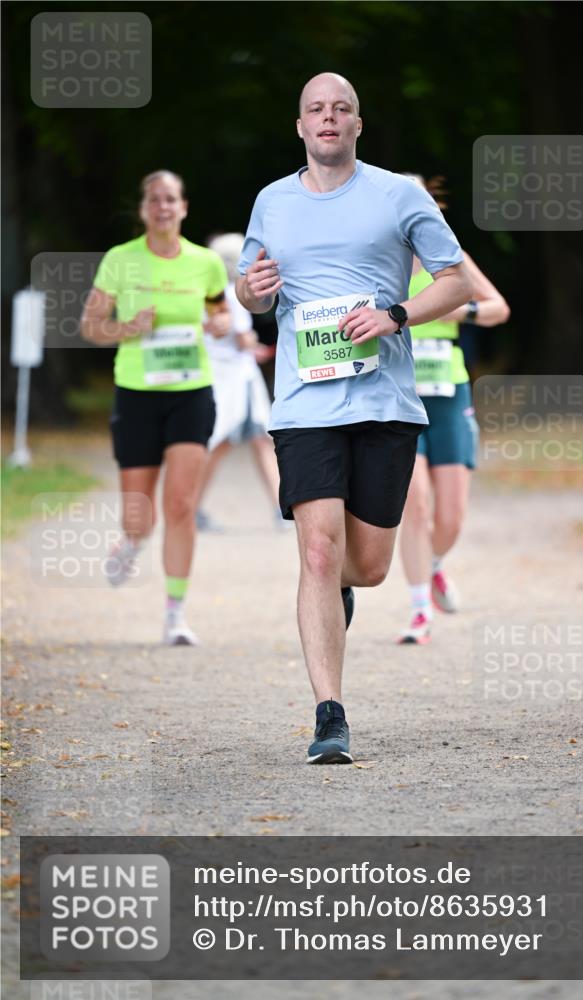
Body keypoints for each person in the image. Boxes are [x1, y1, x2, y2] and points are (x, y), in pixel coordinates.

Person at [236, 73, 472, 764]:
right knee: (316, 550)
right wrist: (249, 292)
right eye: (315, 109)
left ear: (357, 125)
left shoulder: (398, 193)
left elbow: (455, 280)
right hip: (304, 405)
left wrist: (394, 313)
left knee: (364, 567)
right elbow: (251, 293)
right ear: (300, 125)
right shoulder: (271, 202)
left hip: (384, 403)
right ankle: (328, 716)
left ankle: (337, 588)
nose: (328, 118)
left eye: (341, 108)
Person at [81, 170, 230, 645]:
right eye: (154, 200)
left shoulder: (205, 263)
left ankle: (175, 614)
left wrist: (220, 324)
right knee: (140, 515)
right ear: (143, 209)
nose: (163, 207)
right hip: (137, 394)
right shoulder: (120, 261)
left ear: (183, 207)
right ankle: (130, 541)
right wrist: (127, 327)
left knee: (182, 505)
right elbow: (89, 326)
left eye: (171, 200)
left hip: (191, 392)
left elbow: (221, 310)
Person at [398, 174, 510, 645]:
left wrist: (457, 312)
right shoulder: (376, 258)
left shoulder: (451, 256)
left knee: (451, 517)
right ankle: (420, 609)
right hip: (400, 398)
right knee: (415, 506)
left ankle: (435, 563)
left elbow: (497, 307)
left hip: (450, 393)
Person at [197, 233, 284, 533]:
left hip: (240, 378)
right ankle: (191, 506)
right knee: (220, 442)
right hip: (230, 380)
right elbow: (242, 337)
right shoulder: (226, 295)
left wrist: (253, 348)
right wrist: (257, 346)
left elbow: (239, 339)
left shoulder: (213, 292)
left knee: (261, 440)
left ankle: (279, 507)